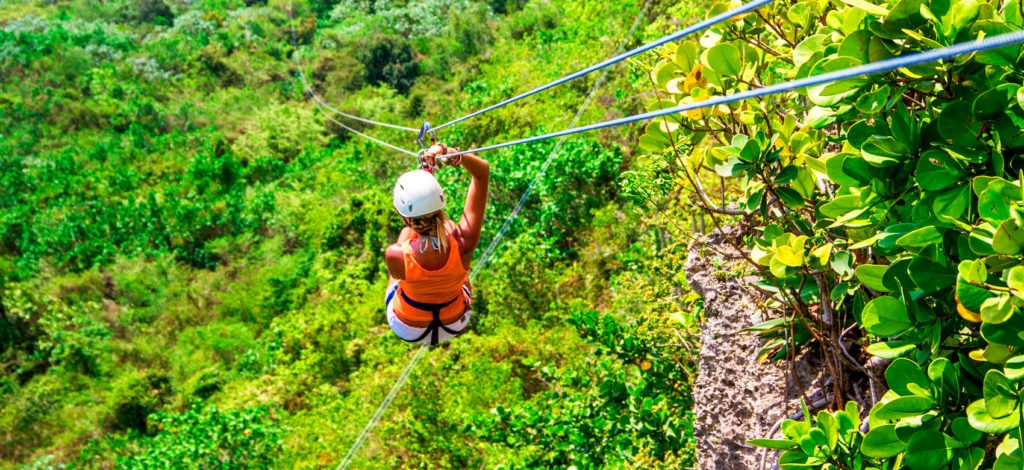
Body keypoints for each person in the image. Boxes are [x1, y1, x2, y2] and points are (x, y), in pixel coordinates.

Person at [384, 144, 489, 345]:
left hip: (409, 326)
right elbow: (482, 172)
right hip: (455, 321)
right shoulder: (462, 240)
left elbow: (411, 235)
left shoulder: (395, 253)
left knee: (398, 273)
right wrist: (451, 153)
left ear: (403, 214)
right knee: (449, 229)